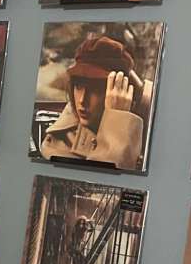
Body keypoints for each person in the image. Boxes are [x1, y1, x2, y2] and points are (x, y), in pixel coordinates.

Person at [40, 35, 146, 170]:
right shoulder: (61, 141)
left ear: (119, 90)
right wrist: (118, 121)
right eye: (78, 86)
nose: (82, 100)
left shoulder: (143, 121)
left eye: (95, 89)